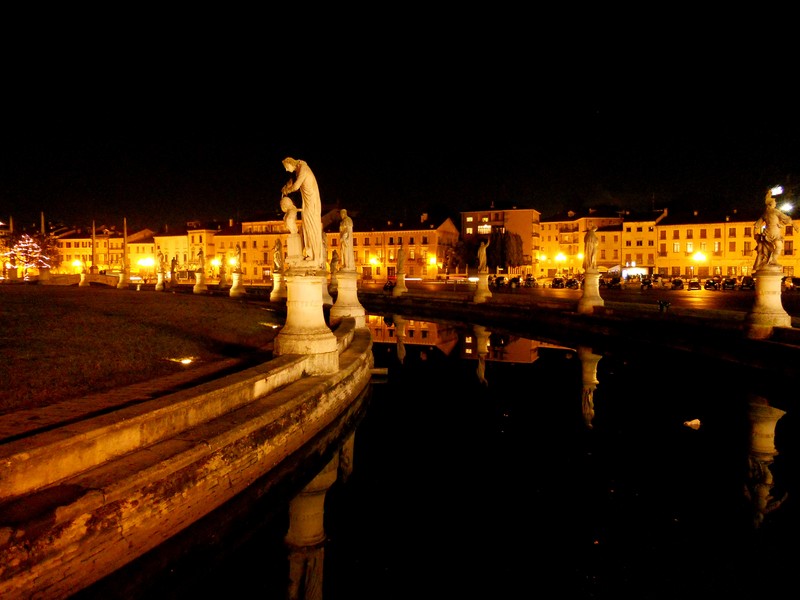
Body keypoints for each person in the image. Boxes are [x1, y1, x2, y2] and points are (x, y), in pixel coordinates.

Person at [282, 157, 323, 268]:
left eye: (286, 167)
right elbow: (296, 185)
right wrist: (289, 186)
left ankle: (316, 258)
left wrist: (288, 190)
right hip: (307, 203)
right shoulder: (299, 170)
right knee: (306, 228)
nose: (286, 170)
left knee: (312, 228)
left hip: (312, 203)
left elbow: (296, 186)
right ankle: (310, 254)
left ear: (291, 163)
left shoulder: (303, 169)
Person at [752, 188, 795, 269]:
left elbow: (756, 225)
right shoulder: (775, 211)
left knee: (768, 250)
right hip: (775, 233)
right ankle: (773, 260)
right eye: (775, 202)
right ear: (771, 204)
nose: (776, 203)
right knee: (779, 247)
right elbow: (787, 219)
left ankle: (770, 261)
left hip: (767, 234)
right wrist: (789, 224)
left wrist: (755, 235)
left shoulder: (765, 213)